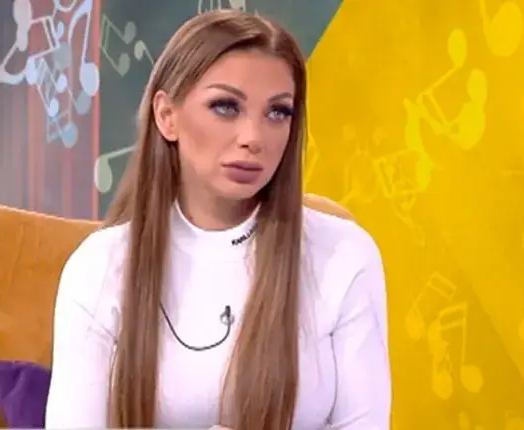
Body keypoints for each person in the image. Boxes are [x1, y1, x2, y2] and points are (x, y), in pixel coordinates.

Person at [44, 9, 390, 430]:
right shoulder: (99, 268)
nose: (253, 138)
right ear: (166, 116)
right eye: (226, 107)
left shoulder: (344, 256)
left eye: (278, 112)